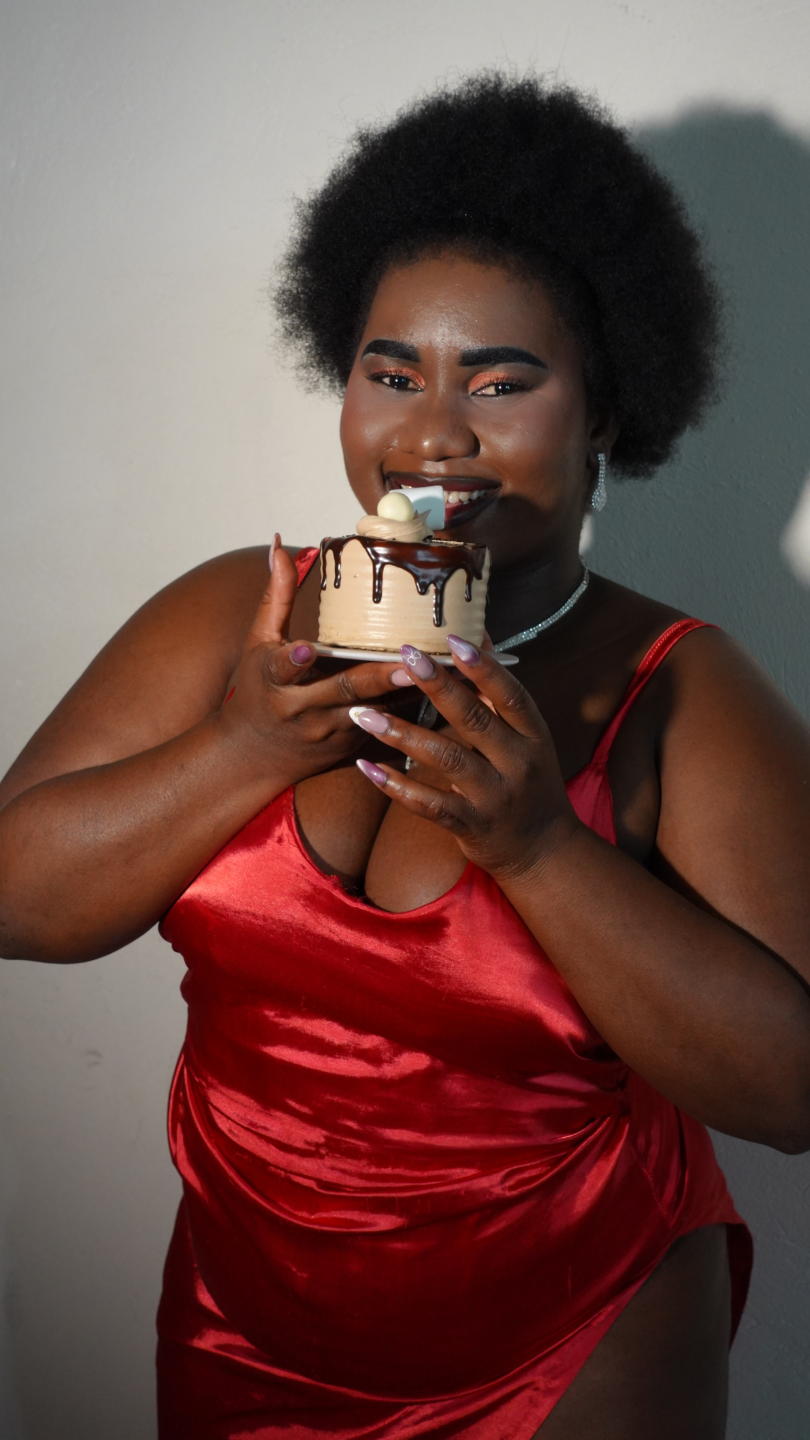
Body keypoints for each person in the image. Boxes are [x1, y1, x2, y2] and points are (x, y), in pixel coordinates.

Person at [1, 73, 809, 1440]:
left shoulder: (681, 685)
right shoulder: (240, 616)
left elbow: (790, 1093)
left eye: (502, 382)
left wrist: (540, 852)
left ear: (605, 410)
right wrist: (239, 750)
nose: (434, 432)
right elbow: (16, 901)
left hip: (577, 1340)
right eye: (392, 375)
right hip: (245, 1326)